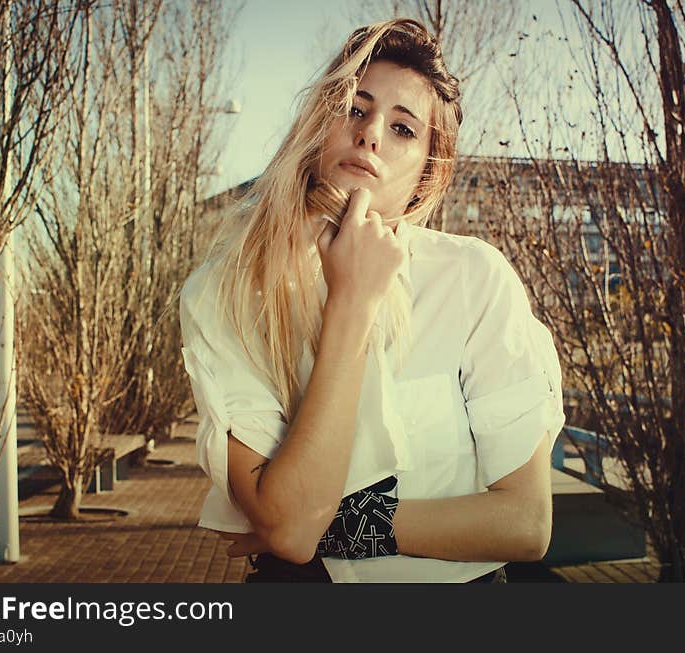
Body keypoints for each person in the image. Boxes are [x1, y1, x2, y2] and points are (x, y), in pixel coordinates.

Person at [179, 18, 565, 583]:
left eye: (404, 129)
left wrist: (338, 525)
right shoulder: (229, 291)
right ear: (318, 125)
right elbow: (287, 532)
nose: (371, 134)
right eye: (354, 109)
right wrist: (352, 305)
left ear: (427, 173)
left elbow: (526, 524)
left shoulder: (473, 279)